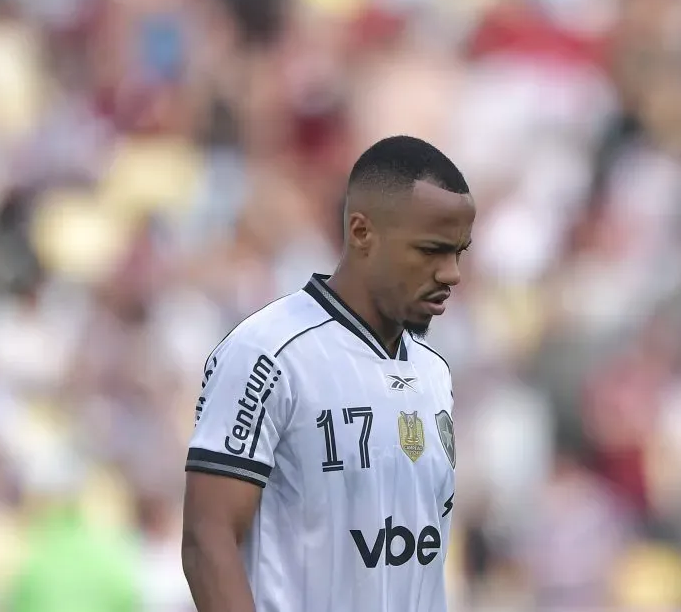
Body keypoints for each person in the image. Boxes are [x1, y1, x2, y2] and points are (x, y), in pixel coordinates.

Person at [181, 135, 475, 611]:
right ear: (362, 233)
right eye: (431, 250)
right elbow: (206, 538)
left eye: (458, 252)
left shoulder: (434, 372)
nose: (451, 273)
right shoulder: (268, 352)